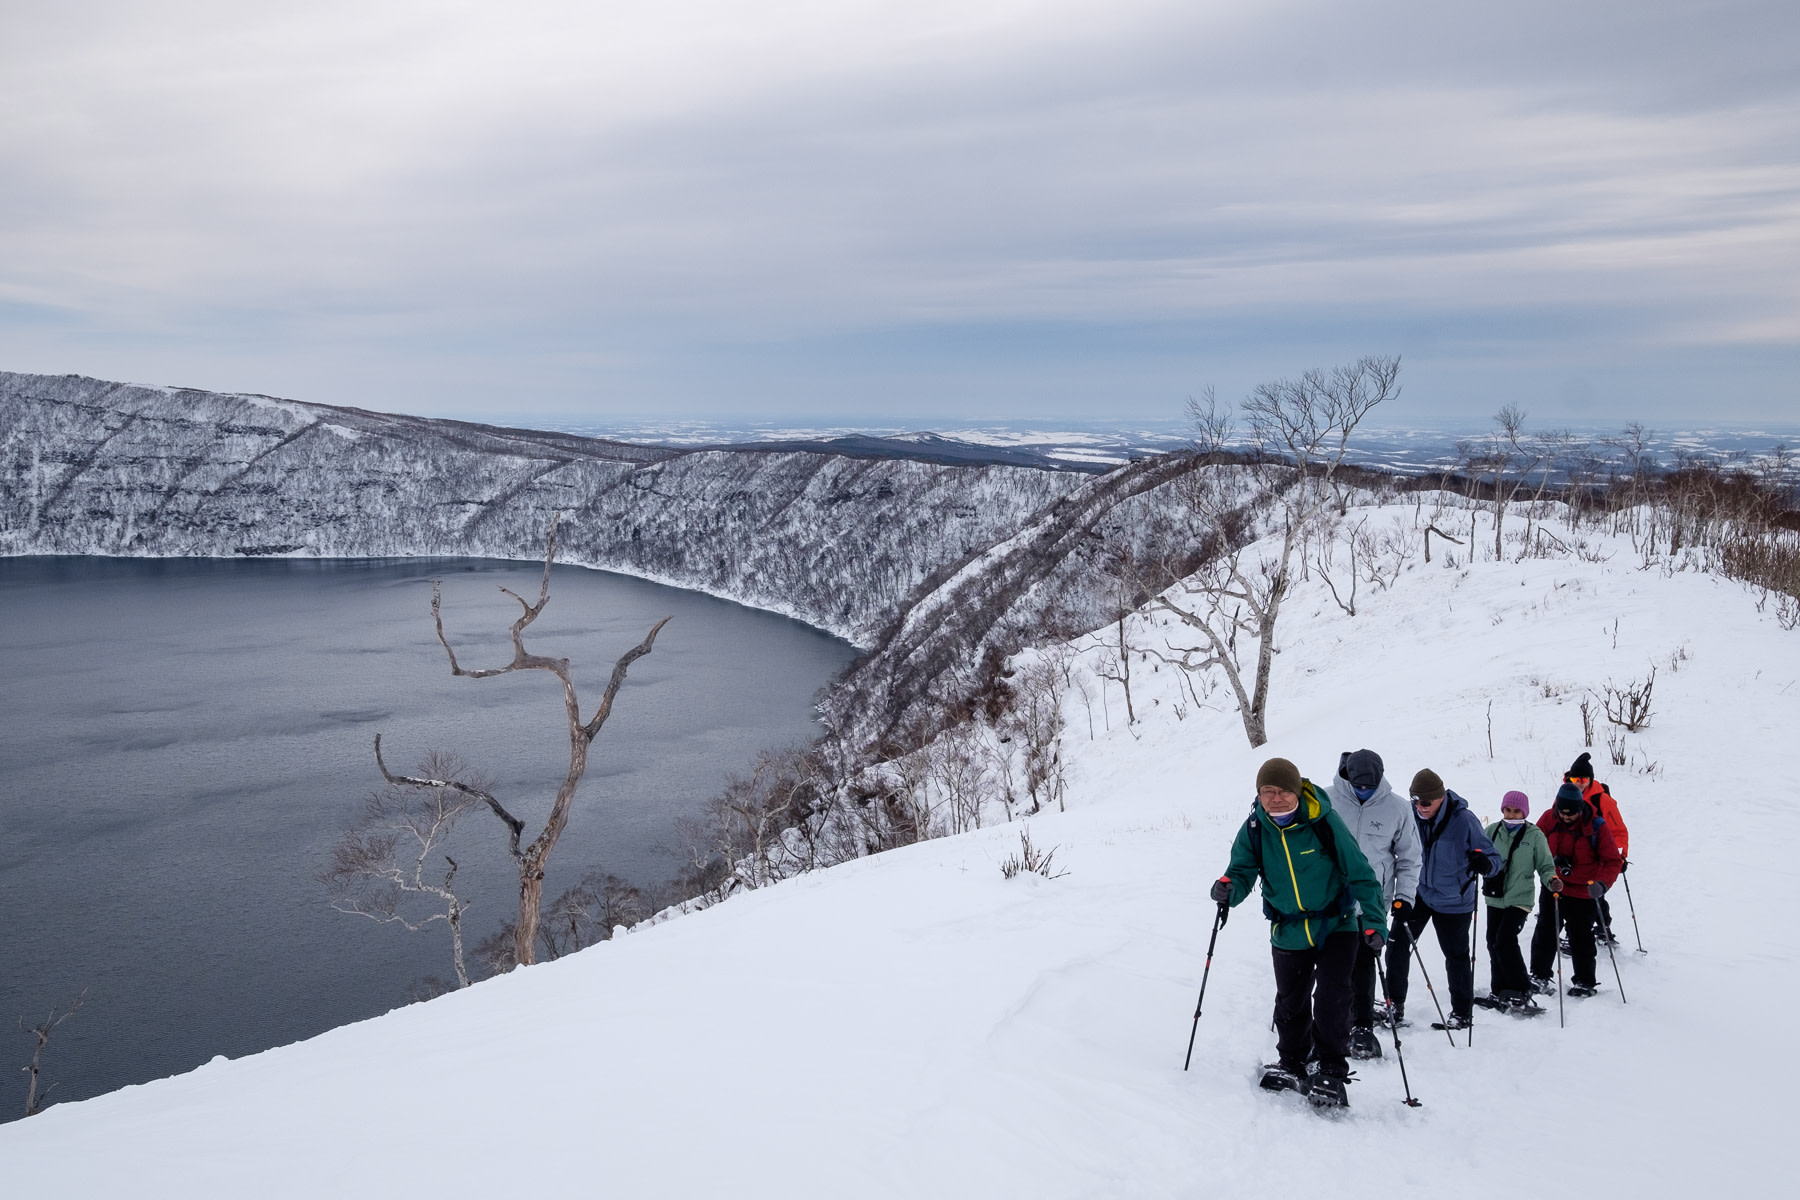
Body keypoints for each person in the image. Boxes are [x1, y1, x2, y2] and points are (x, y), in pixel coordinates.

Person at [1211, 757, 1387, 1107]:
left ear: (1297, 790)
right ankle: (1292, 1061)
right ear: (1259, 794)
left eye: (1283, 791)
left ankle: (1331, 1069)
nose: (1276, 798)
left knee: (1332, 999)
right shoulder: (1255, 828)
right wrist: (1229, 889)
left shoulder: (1323, 820)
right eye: (1267, 792)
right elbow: (1242, 870)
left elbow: (1360, 871)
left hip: (1335, 923)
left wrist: (1374, 921)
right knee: (1290, 1000)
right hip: (1288, 927)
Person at [1384, 769, 1502, 1030]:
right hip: (1419, 893)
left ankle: (1462, 1013)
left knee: (1456, 955)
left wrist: (1484, 863)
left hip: (1454, 899)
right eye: (1415, 801)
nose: (1420, 807)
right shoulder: (1409, 817)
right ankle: (1394, 1005)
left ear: (1440, 798)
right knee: (1396, 945)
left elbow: (1495, 860)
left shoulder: (1465, 821)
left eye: (1425, 802)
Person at [1325, 748, 1422, 1058]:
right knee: (1328, 966)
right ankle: (1324, 1023)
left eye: (1369, 786)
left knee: (1366, 963)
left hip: (1372, 903)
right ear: (1347, 777)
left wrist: (1405, 897)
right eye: (1358, 785)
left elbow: (1409, 857)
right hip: (1329, 900)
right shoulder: (1326, 801)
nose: (1363, 791)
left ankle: (1362, 1026)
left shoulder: (1397, 808)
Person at [1528, 783, 1624, 997]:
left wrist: (1602, 884)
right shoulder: (1548, 819)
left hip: (1584, 892)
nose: (1566, 817)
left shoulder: (1597, 826)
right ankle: (1539, 975)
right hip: (1554, 886)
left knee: (1580, 937)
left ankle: (1584, 982)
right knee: (1545, 931)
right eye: (1562, 812)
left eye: (1571, 813)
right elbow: (1532, 844)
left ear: (1580, 809)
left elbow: (1612, 861)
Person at [1479, 790, 1559, 1013]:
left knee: (1505, 940)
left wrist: (1551, 880)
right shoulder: (1492, 831)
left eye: (1516, 811)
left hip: (1519, 899)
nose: (1512, 814)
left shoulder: (1534, 835)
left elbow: (1545, 865)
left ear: (1524, 811)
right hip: (1494, 897)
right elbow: (1477, 854)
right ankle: (1498, 990)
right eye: (1508, 810)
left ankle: (1521, 989)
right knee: (1492, 942)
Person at [1564, 752, 1630, 945]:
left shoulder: (1603, 801)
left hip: (1597, 856)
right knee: (1574, 896)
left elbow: (1619, 831)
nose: (1579, 783)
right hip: (1571, 857)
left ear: (1591, 779)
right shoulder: (1565, 795)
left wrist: (1620, 857)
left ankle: (1601, 927)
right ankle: (1580, 931)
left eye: (1583, 779)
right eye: (1575, 779)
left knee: (1593, 893)